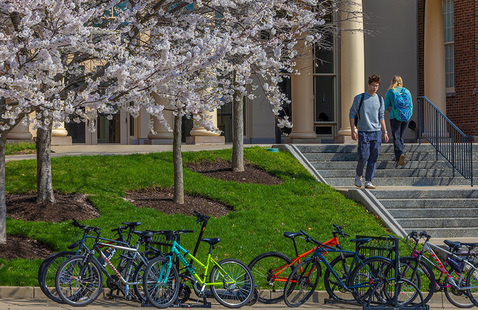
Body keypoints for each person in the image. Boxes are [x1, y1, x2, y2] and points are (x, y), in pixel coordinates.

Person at [349, 74, 389, 189]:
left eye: (376, 86)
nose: (374, 88)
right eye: (373, 85)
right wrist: (353, 130)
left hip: (376, 132)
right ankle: (358, 175)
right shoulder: (360, 98)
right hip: (363, 132)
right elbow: (352, 114)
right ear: (368, 84)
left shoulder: (380, 100)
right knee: (364, 155)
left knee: (374, 156)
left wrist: (385, 131)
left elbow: (381, 117)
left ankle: (369, 181)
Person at [385, 75, 413, 167]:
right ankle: (401, 154)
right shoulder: (407, 91)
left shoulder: (391, 92)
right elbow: (411, 105)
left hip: (394, 116)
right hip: (406, 117)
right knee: (401, 136)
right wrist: (408, 115)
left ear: (392, 81)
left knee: (396, 136)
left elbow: (385, 107)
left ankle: (399, 154)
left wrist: (390, 107)